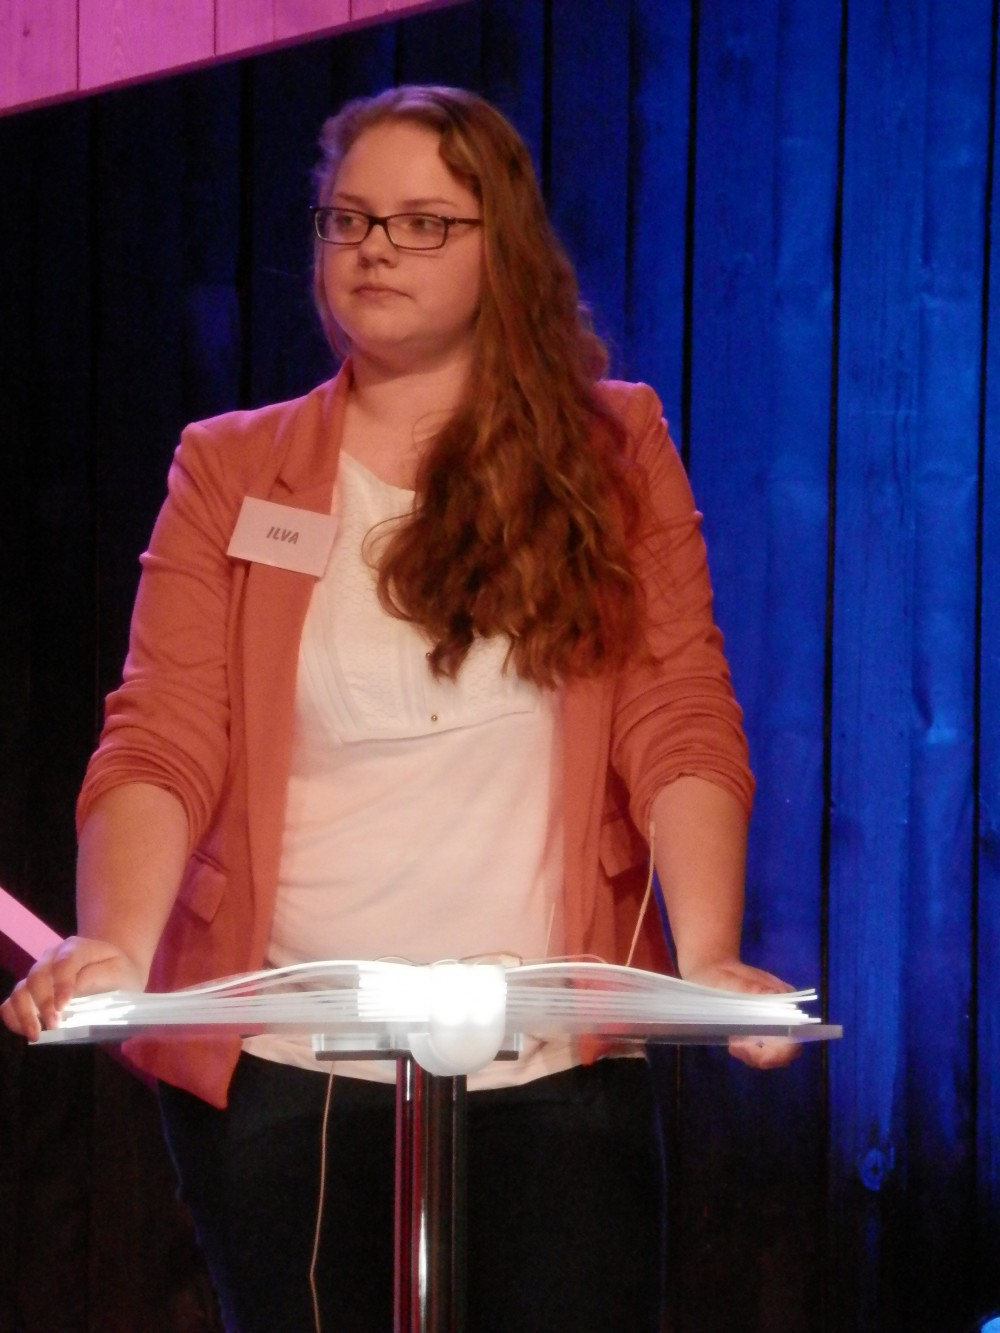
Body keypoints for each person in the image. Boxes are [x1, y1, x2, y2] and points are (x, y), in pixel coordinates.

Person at [2, 85, 798, 1331]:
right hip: (289, 1074)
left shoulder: (614, 448)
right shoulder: (231, 464)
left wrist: (705, 960)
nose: (375, 247)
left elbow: (677, 713)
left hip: (553, 1065)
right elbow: (163, 733)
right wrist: (114, 940)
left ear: (502, 248)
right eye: (348, 218)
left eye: (423, 222)